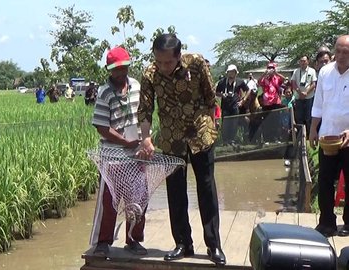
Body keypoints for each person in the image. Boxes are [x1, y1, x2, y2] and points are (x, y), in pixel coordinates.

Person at [137, 34, 226, 266]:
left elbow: (210, 96)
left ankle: (213, 245)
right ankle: (183, 243)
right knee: (175, 192)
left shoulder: (196, 63)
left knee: (206, 187)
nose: (164, 67)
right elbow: (145, 109)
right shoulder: (149, 74)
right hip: (171, 137)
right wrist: (146, 137)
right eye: (159, 62)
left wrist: (211, 123)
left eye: (168, 62)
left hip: (200, 133)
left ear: (178, 56)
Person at [90, 46, 146, 257]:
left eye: (123, 68)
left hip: (136, 154)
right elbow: (102, 127)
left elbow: (144, 115)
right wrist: (125, 142)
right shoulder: (105, 93)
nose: (120, 73)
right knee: (109, 201)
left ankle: (134, 240)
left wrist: (143, 140)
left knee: (139, 198)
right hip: (113, 156)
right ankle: (103, 242)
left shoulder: (136, 86)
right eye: (116, 69)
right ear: (109, 69)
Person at [309, 35, 349, 237]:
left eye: (346, 52)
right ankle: (326, 223)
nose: (342, 55)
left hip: (348, 138)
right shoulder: (325, 72)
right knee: (325, 180)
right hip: (327, 136)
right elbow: (318, 104)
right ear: (334, 51)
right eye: (339, 51)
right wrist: (313, 129)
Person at [215, 64, 249, 145]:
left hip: (235, 106)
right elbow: (216, 92)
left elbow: (248, 90)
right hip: (225, 106)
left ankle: (232, 140)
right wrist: (222, 95)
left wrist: (243, 100)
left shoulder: (240, 81)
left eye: (233, 72)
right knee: (225, 124)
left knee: (234, 124)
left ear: (236, 73)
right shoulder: (222, 82)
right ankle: (225, 141)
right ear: (227, 72)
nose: (231, 73)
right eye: (230, 72)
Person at [258, 62, 286, 144]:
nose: (270, 70)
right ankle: (267, 139)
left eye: (272, 68)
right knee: (267, 121)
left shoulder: (277, 78)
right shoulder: (264, 79)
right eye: (269, 68)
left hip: (276, 102)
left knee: (276, 121)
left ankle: (276, 138)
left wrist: (276, 73)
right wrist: (264, 73)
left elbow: (284, 80)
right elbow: (259, 82)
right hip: (266, 103)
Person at [290, 55, 317, 136]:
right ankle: (301, 135)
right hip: (299, 97)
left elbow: (314, 83)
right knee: (299, 117)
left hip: (309, 97)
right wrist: (299, 92)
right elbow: (293, 83)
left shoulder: (312, 71)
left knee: (308, 117)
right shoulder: (296, 71)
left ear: (308, 62)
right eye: (301, 61)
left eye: (304, 61)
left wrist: (306, 93)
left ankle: (309, 134)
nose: (302, 62)